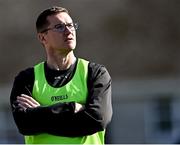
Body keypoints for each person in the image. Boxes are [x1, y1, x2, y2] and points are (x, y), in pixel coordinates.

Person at [10, 6, 112, 144]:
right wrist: (72, 108)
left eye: (71, 25)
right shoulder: (27, 79)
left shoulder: (95, 73)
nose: (69, 30)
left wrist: (39, 113)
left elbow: (97, 120)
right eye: (59, 27)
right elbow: (24, 124)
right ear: (42, 37)